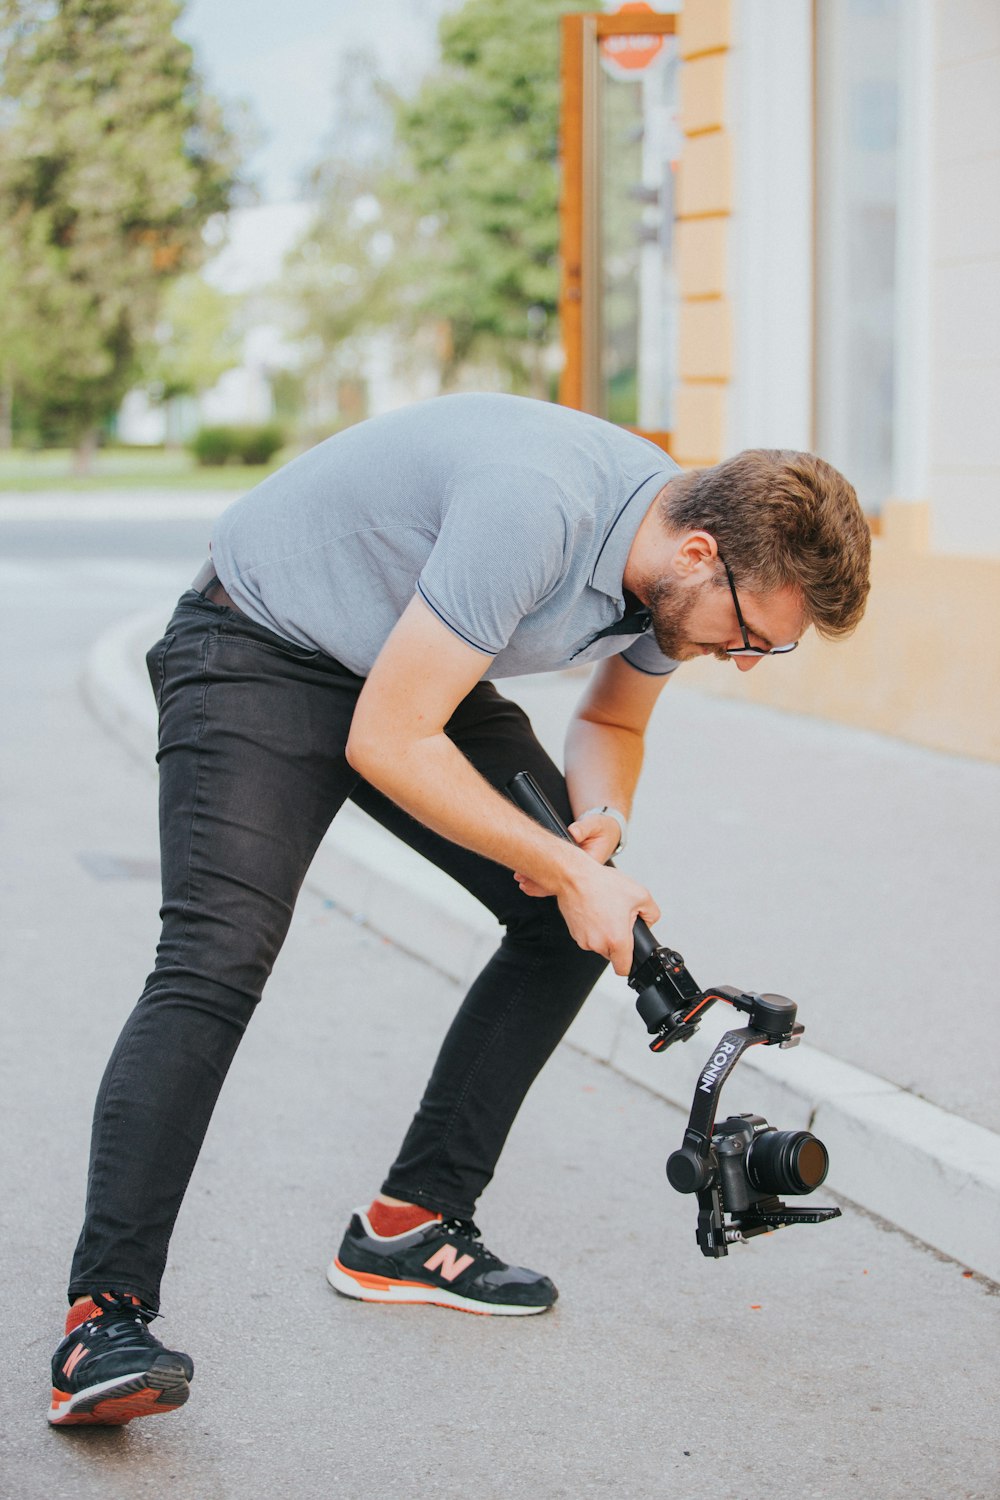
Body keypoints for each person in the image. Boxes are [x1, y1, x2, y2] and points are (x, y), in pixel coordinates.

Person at [49, 393, 870, 1425]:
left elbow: (613, 715)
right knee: (217, 955)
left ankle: (410, 1223)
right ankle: (101, 1321)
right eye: (749, 633)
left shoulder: (673, 570)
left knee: (568, 927)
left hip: (404, 651)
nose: (744, 659)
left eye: (769, 649)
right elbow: (390, 741)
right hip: (257, 642)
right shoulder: (539, 508)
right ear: (701, 551)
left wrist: (597, 830)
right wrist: (565, 868)